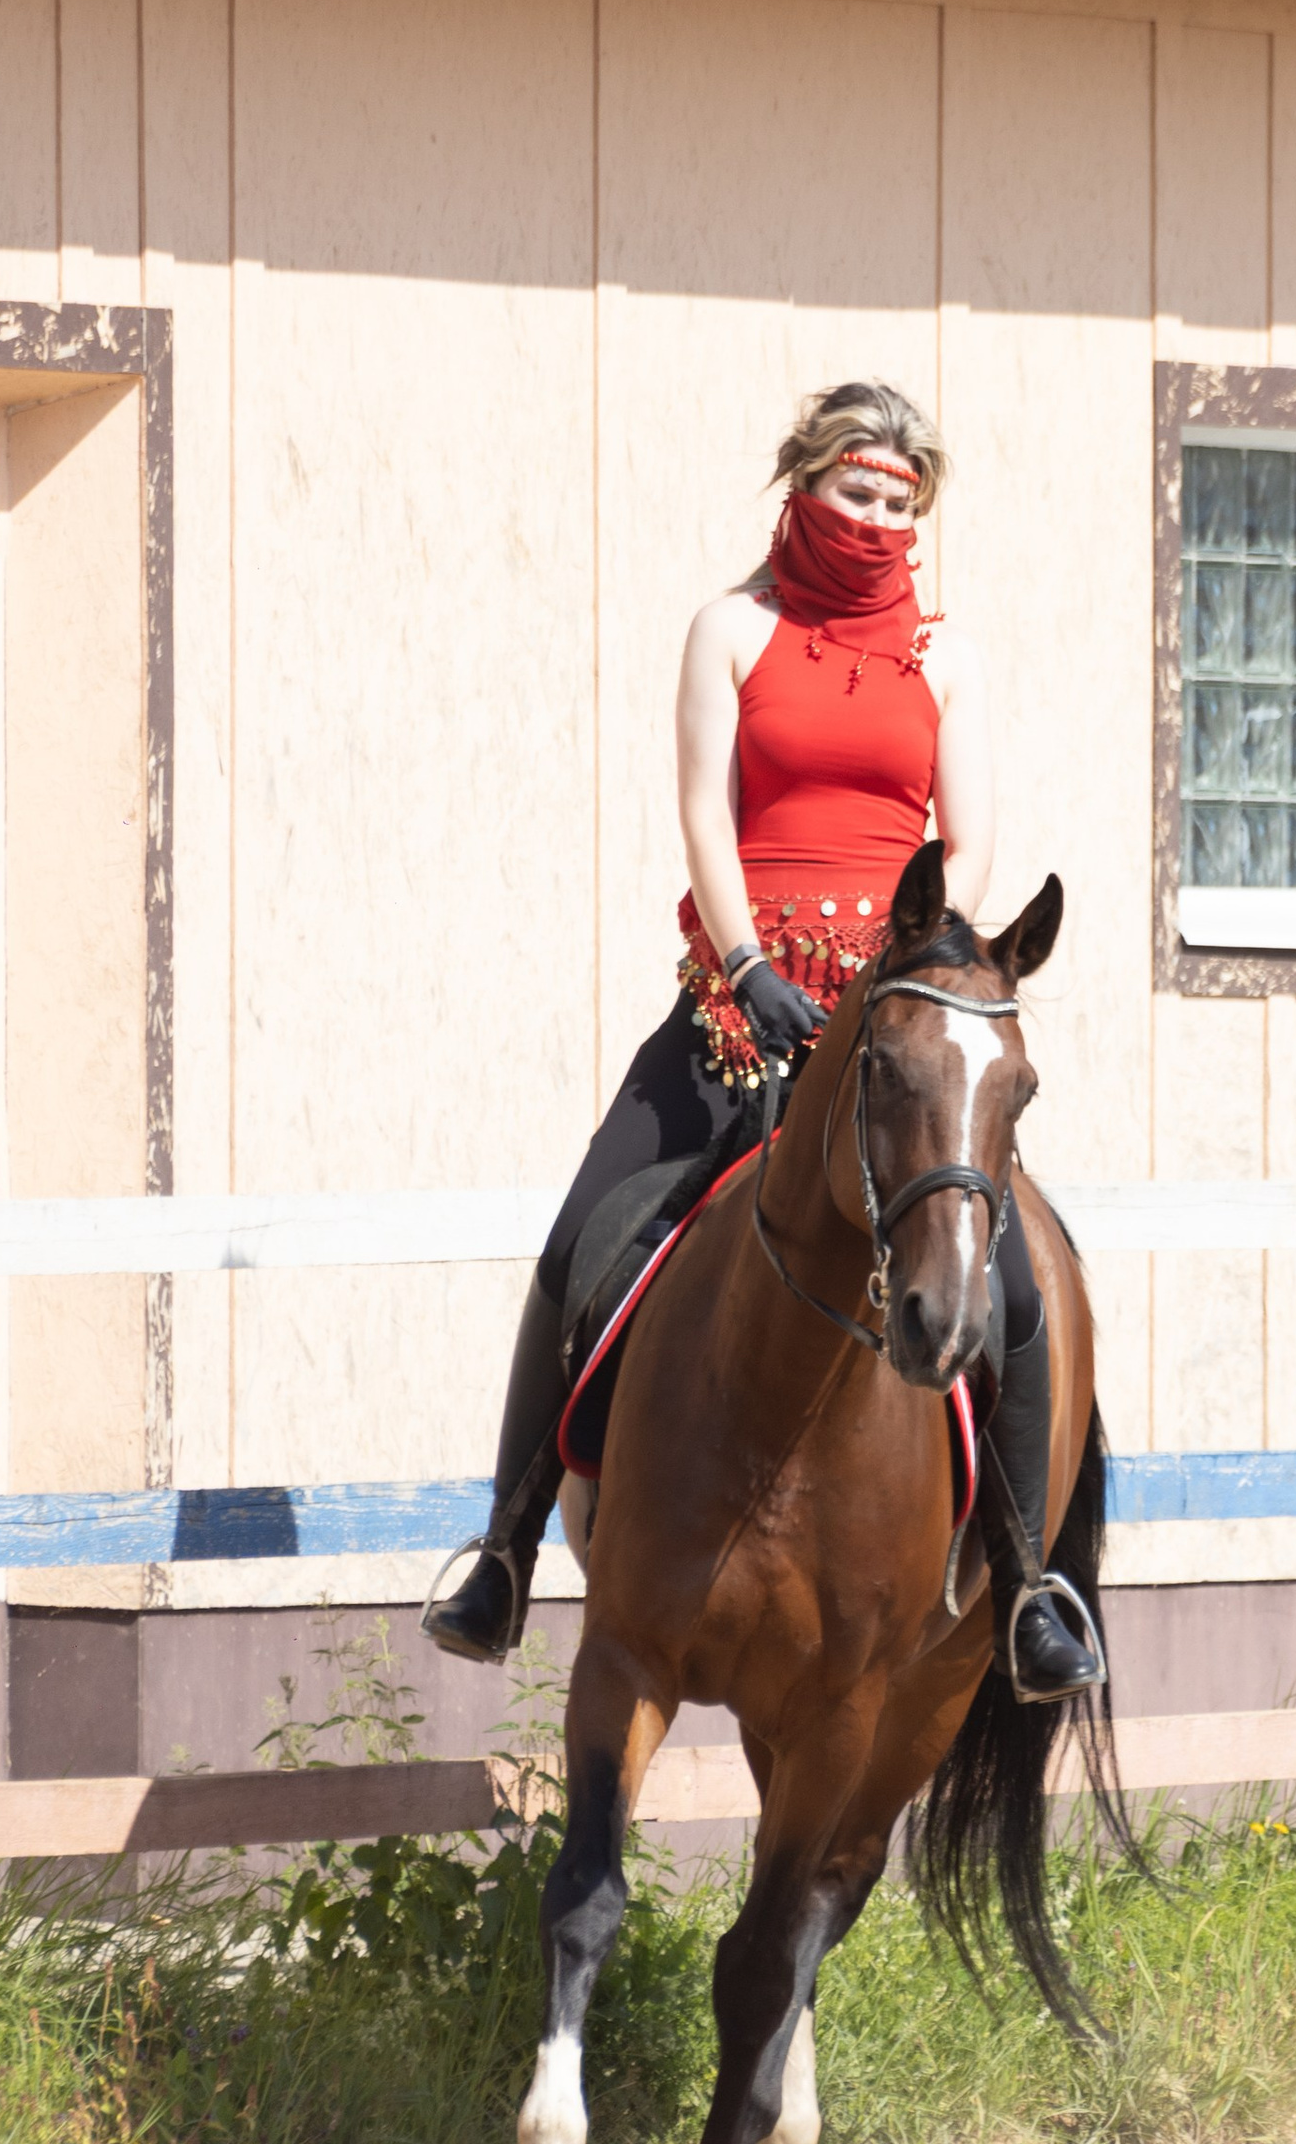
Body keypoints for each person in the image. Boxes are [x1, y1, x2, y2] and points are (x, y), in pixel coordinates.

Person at [420, 380, 1104, 1700]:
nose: (878, 518)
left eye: (900, 501)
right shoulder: (731, 629)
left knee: (1015, 1288)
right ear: (803, 482)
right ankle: (503, 1554)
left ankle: (1027, 1588)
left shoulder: (947, 660)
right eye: (857, 490)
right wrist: (745, 968)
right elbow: (704, 812)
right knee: (582, 1239)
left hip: (893, 1017)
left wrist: (909, 972)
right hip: (739, 1006)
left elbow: (967, 842)